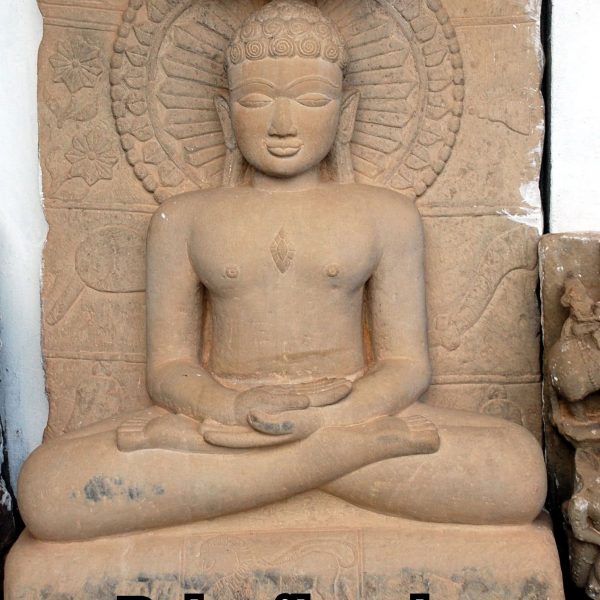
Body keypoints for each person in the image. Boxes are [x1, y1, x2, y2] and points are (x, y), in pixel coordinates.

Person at [17, 0, 546, 542]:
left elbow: (406, 366)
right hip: (231, 415)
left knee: (517, 474)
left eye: (312, 100)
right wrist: (232, 408)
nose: (283, 125)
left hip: (342, 412)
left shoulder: (386, 215)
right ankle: (337, 459)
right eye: (255, 101)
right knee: (47, 489)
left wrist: (329, 420)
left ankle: (260, 468)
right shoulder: (183, 219)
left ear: (347, 112)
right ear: (225, 114)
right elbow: (170, 367)